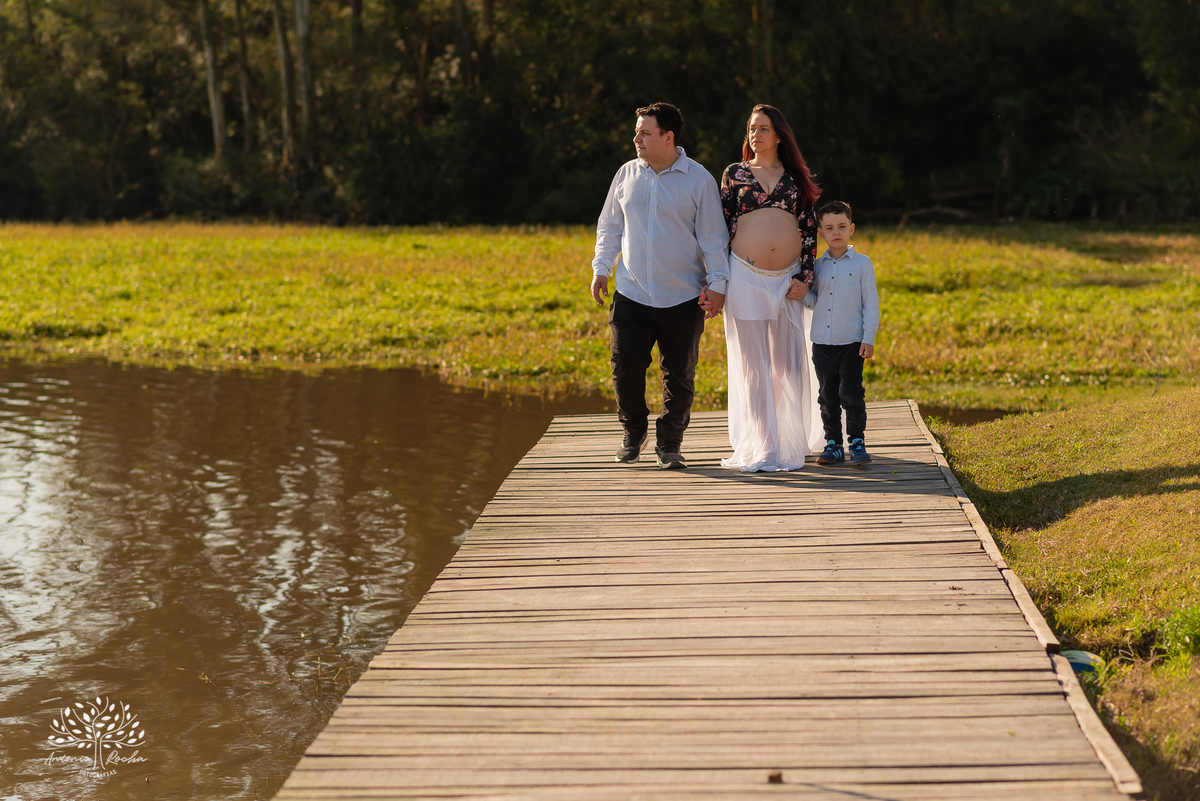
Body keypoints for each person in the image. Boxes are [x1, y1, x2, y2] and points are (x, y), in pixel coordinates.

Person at [591, 102, 730, 469]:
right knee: (624, 368)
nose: (636, 138)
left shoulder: (699, 179)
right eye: (637, 131)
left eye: (644, 132)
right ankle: (633, 431)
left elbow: (714, 238)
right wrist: (601, 267)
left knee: (680, 374)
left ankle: (670, 443)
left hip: (683, 297)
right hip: (632, 294)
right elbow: (610, 226)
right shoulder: (625, 174)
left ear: (668, 137)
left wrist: (718, 285)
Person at [713, 104, 824, 472]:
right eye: (750, 129)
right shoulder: (735, 174)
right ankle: (764, 444)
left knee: (786, 365)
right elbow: (720, 228)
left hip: (787, 279)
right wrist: (716, 279)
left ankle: (785, 437)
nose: (755, 135)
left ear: (779, 134)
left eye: (762, 128)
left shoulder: (795, 176)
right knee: (753, 365)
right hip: (745, 274)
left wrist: (804, 276)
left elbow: (809, 230)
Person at [797, 200, 880, 466]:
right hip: (822, 342)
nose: (836, 232)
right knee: (827, 395)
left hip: (852, 343)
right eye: (830, 227)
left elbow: (871, 304)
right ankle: (833, 443)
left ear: (851, 228)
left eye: (842, 226)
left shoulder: (863, 264)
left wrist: (869, 338)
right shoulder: (816, 266)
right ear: (820, 232)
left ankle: (857, 441)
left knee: (852, 394)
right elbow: (814, 301)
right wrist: (800, 295)